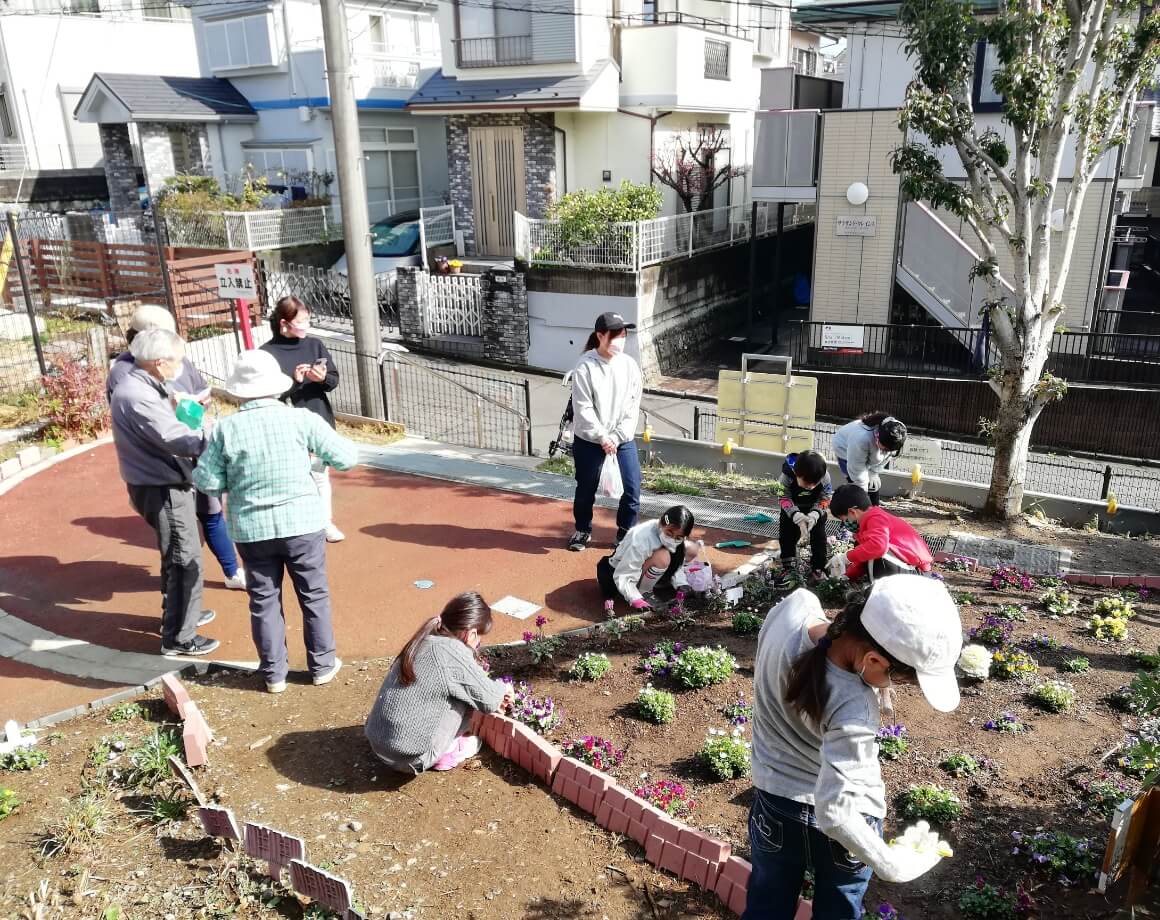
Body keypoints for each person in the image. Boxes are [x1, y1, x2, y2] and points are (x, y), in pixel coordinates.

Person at [744, 576, 962, 919]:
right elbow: (834, 812)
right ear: (873, 661)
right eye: (897, 677)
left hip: (774, 805)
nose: (894, 686)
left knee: (766, 907)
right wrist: (891, 864)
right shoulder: (854, 705)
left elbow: (816, 634)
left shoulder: (792, 609)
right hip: (844, 833)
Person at [193, 350, 359, 693]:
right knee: (313, 595)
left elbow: (206, 481)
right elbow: (346, 457)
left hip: (252, 529)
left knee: (264, 600)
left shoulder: (225, 429)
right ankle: (322, 666)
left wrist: (234, 481)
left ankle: (273, 675)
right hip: (302, 523)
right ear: (276, 387)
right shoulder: (301, 420)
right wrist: (313, 461)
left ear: (239, 391)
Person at [107, 304, 245, 591]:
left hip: (187, 458)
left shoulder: (168, 362)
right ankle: (179, 625)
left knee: (205, 518)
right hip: (164, 472)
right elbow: (166, 432)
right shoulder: (126, 375)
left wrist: (192, 408)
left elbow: (198, 393)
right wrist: (216, 438)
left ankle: (228, 574)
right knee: (181, 547)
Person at [110, 328, 219, 657]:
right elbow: (178, 438)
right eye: (177, 361)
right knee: (185, 558)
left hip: (161, 480)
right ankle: (179, 636)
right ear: (159, 362)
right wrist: (219, 434)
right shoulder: (137, 395)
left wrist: (189, 407)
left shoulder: (145, 382)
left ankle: (181, 615)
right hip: (163, 485)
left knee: (177, 554)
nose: (181, 367)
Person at [365, 592, 514, 774]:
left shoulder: (422, 640)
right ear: (471, 633)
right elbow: (490, 700)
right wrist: (505, 688)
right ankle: (451, 751)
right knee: (464, 694)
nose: (478, 645)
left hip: (378, 744)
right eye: (479, 639)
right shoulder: (451, 650)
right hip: (411, 759)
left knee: (452, 687)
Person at [261, 296, 345, 543]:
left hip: (317, 419)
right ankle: (296, 524)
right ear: (285, 324)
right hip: (284, 425)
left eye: (308, 320)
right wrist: (293, 383)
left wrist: (321, 379)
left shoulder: (315, 345)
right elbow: (266, 395)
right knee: (291, 478)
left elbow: (333, 380)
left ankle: (325, 522)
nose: (306, 326)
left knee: (320, 476)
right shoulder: (266, 353)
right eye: (302, 321)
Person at [567, 312, 643, 552]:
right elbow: (583, 408)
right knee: (586, 488)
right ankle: (582, 529)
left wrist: (616, 437)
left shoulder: (630, 366)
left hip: (622, 440)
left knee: (632, 488)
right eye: (616, 335)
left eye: (624, 335)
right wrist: (602, 436)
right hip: (590, 440)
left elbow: (633, 406)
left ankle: (624, 532)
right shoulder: (585, 366)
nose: (621, 340)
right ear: (600, 336)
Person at [597, 505, 697, 614]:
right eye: (669, 533)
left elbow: (677, 561)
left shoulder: (675, 533)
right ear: (660, 524)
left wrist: (681, 583)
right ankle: (644, 592)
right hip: (616, 574)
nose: (673, 539)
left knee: (690, 548)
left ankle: (657, 582)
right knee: (663, 556)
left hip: (644, 567)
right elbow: (624, 572)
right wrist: (634, 598)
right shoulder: (641, 537)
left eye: (678, 537)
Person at [826, 485, 933, 582]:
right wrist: (846, 577)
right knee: (865, 549)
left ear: (853, 512)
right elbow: (862, 560)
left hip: (918, 574)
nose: (845, 524)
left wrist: (846, 557)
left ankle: (878, 592)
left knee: (874, 551)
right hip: (910, 570)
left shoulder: (876, 518)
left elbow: (878, 547)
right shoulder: (869, 525)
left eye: (844, 519)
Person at [772, 450, 833, 589]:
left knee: (819, 537)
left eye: (814, 484)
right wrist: (796, 516)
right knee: (787, 536)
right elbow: (783, 497)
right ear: (797, 474)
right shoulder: (786, 477)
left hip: (815, 508)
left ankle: (818, 568)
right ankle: (789, 568)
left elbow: (826, 497)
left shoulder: (825, 477)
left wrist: (815, 514)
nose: (811, 487)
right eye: (806, 483)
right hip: (791, 508)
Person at [830, 412, 907, 507]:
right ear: (877, 436)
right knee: (855, 487)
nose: (886, 452)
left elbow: (885, 457)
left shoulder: (897, 434)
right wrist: (861, 494)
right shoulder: (861, 439)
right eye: (884, 449)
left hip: (865, 447)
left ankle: (875, 510)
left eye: (889, 450)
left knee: (873, 485)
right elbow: (857, 469)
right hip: (844, 449)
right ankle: (851, 517)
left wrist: (874, 473)